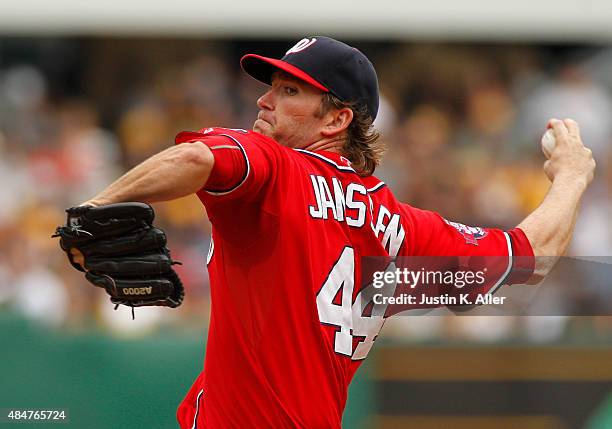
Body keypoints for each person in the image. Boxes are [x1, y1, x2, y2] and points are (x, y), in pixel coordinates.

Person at [78, 36, 595, 428]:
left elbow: (197, 156)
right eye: (270, 88)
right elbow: (532, 258)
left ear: (336, 119)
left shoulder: (277, 171)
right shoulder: (404, 228)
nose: (264, 102)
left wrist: (96, 208)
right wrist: (571, 177)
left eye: (289, 91)